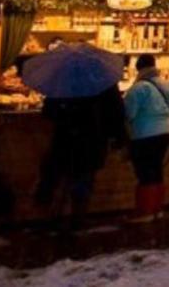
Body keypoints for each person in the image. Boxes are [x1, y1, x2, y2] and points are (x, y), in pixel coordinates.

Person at [35, 85, 125, 229]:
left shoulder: (63, 83)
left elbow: (48, 111)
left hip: (65, 138)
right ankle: (77, 219)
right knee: (83, 178)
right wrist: (118, 137)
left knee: (61, 176)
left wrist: (66, 114)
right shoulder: (103, 82)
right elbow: (117, 112)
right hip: (91, 139)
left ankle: (54, 217)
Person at [123, 55, 169, 221]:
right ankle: (157, 208)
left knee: (145, 171)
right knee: (157, 169)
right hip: (165, 131)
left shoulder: (138, 88)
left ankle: (144, 211)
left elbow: (129, 113)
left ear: (138, 69)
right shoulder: (165, 84)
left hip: (144, 133)